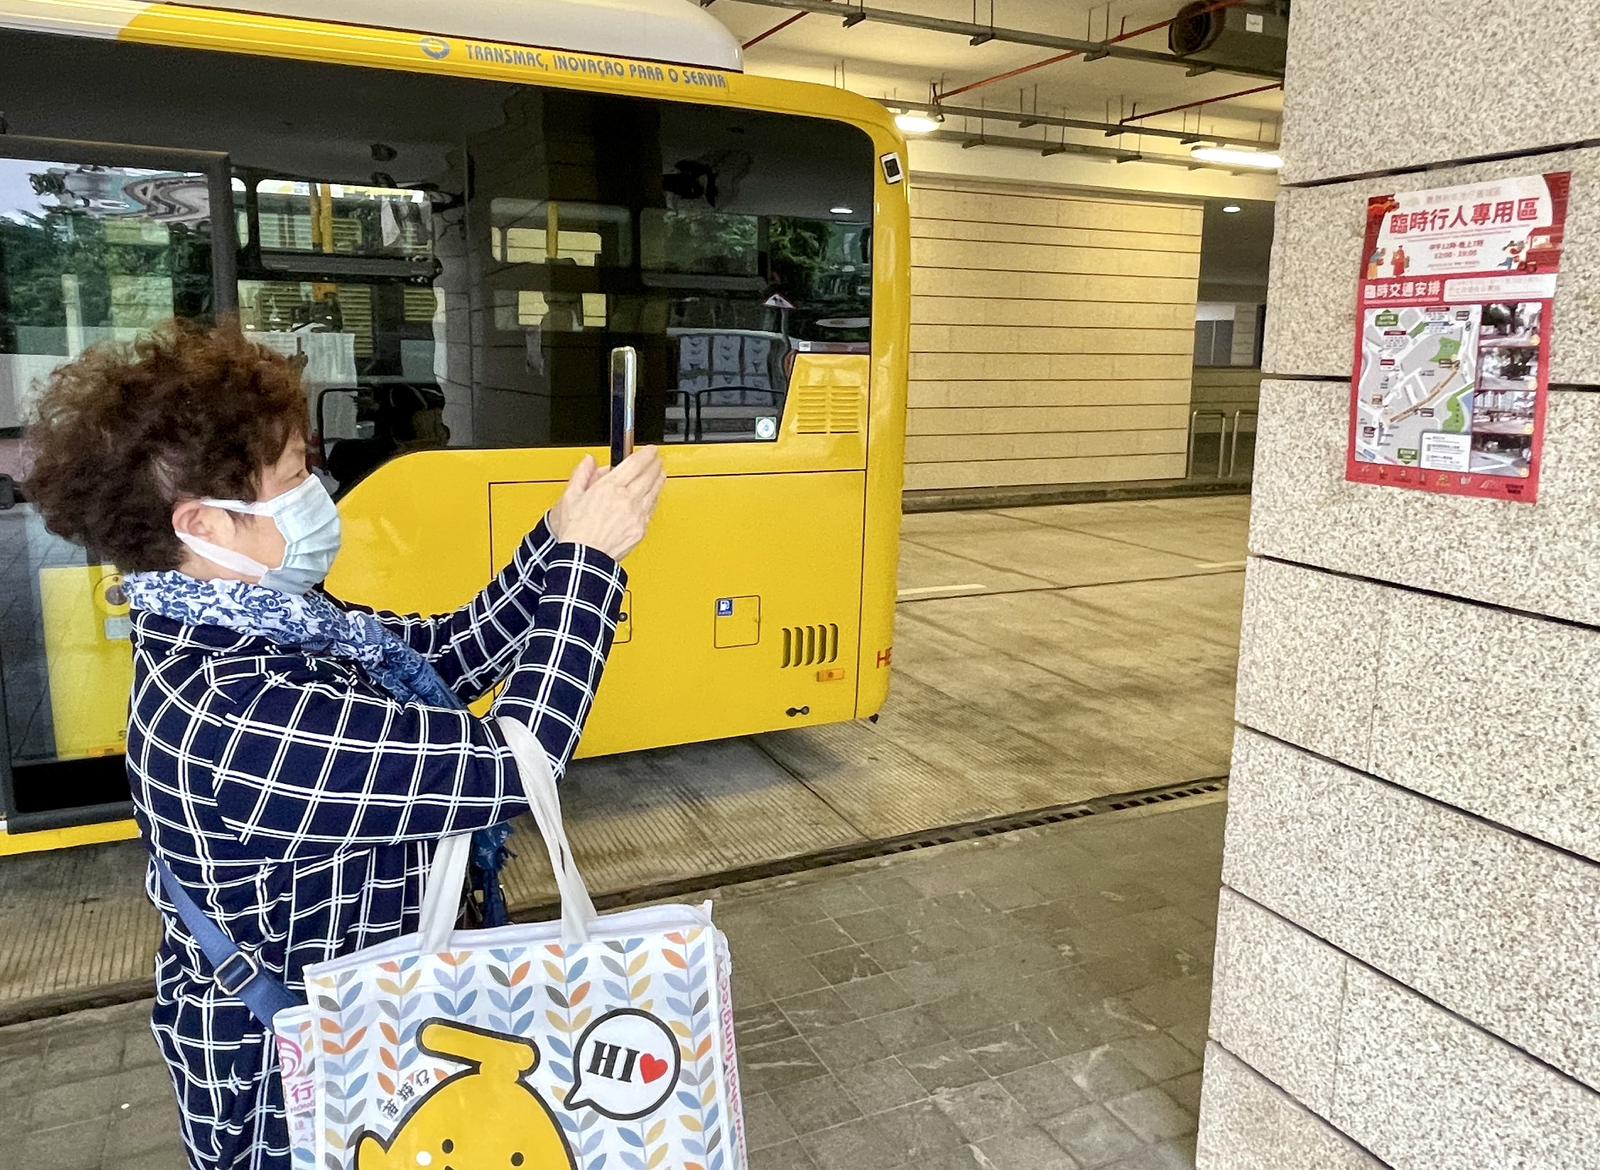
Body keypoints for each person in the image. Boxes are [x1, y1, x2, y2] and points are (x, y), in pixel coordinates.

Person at [22, 322, 665, 1170]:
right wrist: (590, 565)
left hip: (377, 1024)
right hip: (303, 1087)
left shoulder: (269, 623)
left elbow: (444, 653)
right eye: (294, 477)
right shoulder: (233, 713)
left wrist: (555, 539)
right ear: (204, 522)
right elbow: (518, 766)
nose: (318, 491)